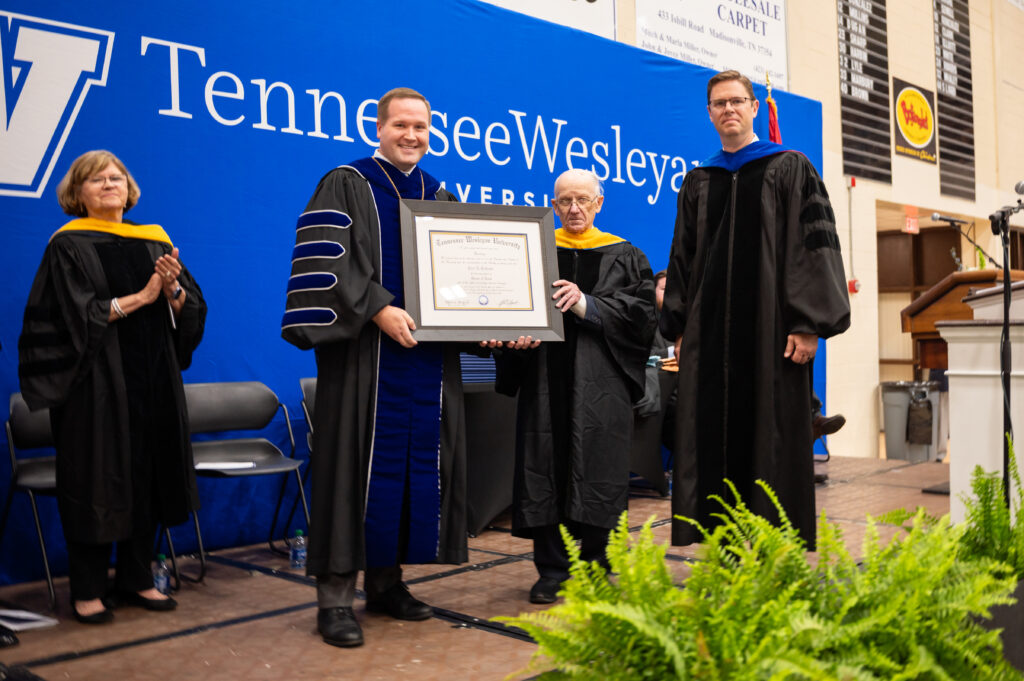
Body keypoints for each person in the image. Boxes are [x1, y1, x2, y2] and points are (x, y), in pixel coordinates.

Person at [281, 87, 470, 648]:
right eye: (401, 125)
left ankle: (388, 584)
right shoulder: (347, 181)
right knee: (352, 468)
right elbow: (326, 263)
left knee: (416, 468)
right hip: (366, 356)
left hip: (428, 362)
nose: (412, 135)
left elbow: (459, 276)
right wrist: (378, 309)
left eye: (421, 127)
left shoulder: (440, 194)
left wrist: (487, 316)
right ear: (379, 127)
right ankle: (335, 598)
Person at [661, 70, 850, 550]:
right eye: (718, 104)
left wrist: (808, 325)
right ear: (709, 113)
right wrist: (679, 326)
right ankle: (723, 543)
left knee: (771, 435)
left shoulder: (789, 167)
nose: (728, 110)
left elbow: (815, 250)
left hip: (772, 336)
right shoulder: (698, 180)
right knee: (712, 435)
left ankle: (772, 547)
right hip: (710, 338)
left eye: (736, 101)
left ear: (752, 108)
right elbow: (681, 257)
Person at [18, 150, 206, 623]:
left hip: (154, 378)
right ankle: (87, 589)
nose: (109, 184)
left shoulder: (153, 240)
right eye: (96, 179)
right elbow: (71, 316)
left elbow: (191, 306)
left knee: (148, 474)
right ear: (77, 193)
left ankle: (137, 578)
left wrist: (172, 293)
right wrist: (141, 297)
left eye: (116, 176)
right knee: (95, 480)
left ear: (129, 187)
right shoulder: (68, 245)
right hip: (94, 387)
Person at [492, 169, 657, 604]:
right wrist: (508, 337)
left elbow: (642, 317)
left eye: (583, 200)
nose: (574, 209)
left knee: (599, 468)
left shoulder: (625, 253)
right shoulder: (535, 251)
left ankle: (596, 564)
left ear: (599, 203)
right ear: (553, 204)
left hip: (601, 385)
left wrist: (588, 305)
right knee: (543, 466)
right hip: (544, 379)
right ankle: (551, 570)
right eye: (565, 200)